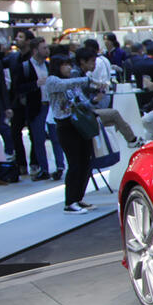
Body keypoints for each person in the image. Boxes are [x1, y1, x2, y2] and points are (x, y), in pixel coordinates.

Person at [43, 54, 95, 213]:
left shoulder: (71, 83)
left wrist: (95, 99)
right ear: (57, 66)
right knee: (74, 164)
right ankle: (70, 201)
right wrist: (88, 80)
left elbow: (81, 101)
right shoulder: (52, 80)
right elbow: (66, 84)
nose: (68, 68)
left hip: (79, 125)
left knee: (86, 162)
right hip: (65, 126)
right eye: (64, 65)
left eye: (69, 65)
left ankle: (78, 198)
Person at [74, 47, 144, 149]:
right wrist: (93, 100)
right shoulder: (76, 75)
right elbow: (79, 98)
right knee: (114, 114)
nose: (95, 64)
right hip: (83, 114)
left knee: (114, 122)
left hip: (86, 111)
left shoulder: (82, 75)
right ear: (82, 62)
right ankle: (132, 140)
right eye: (92, 61)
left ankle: (128, 141)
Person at [11, 37, 53, 180]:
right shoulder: (25, 67)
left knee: (55, 139)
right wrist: (35, 84)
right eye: (44, 48)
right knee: (37, 139)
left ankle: (58, 167)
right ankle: (41, 168)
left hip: (50, 106)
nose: (47, 50)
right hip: (36, 107)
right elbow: (17, 88)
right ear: (35, 50)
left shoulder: (48, 65)